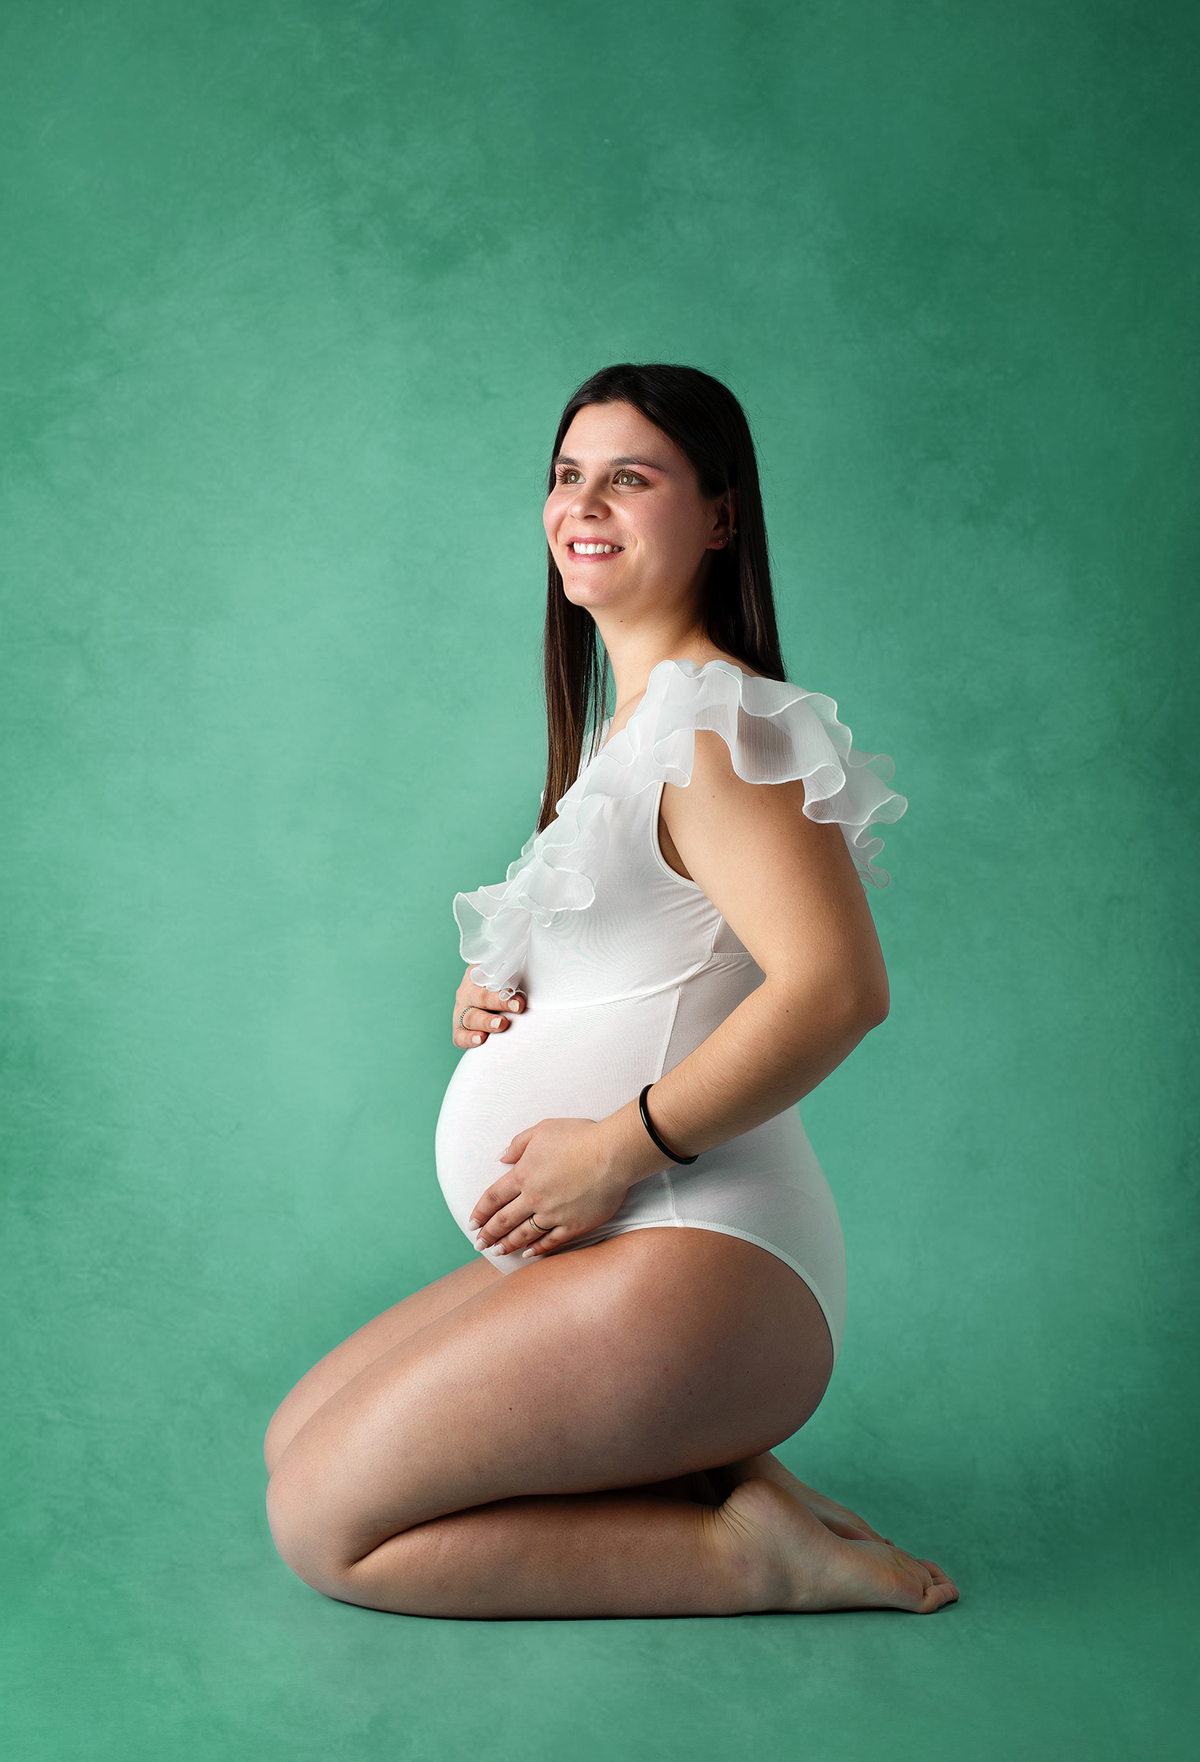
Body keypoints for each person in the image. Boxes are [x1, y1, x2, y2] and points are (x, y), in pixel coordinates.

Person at [263, 363, 959, 1619]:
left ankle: (749, 1558)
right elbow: (660, 961)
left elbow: (838, 989)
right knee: (295, 1444)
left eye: (629, 477)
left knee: (325, 1527)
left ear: (719, 517)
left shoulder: (717, 724)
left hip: (700, 1246)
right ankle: (723, 1479)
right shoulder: (634, 731)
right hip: (627, 1251)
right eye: (567, 475)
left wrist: (617, 1146)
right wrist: (504, 993)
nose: (583, 504)